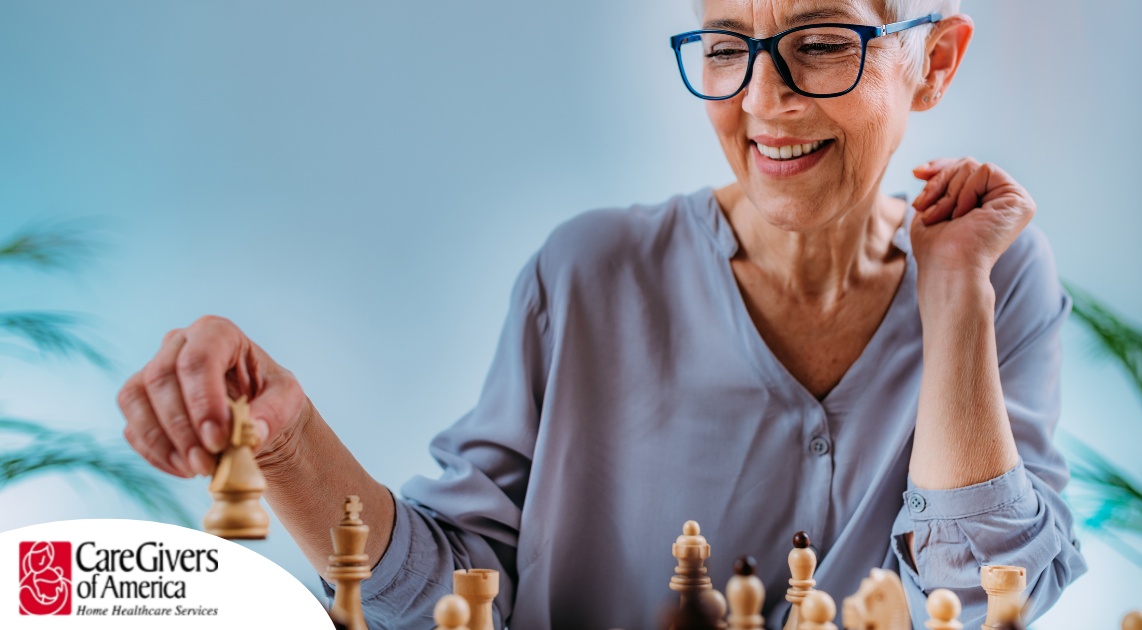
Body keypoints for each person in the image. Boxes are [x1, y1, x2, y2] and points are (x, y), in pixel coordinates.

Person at [116, 0, 1087, 628]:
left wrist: (956, 294)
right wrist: (287, 442)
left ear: (936, 60)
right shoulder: (584, 276)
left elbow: (978, 603)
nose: (764, 100)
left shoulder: (997, 270)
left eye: (823, 43)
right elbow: (457, 598)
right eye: (724, 47)